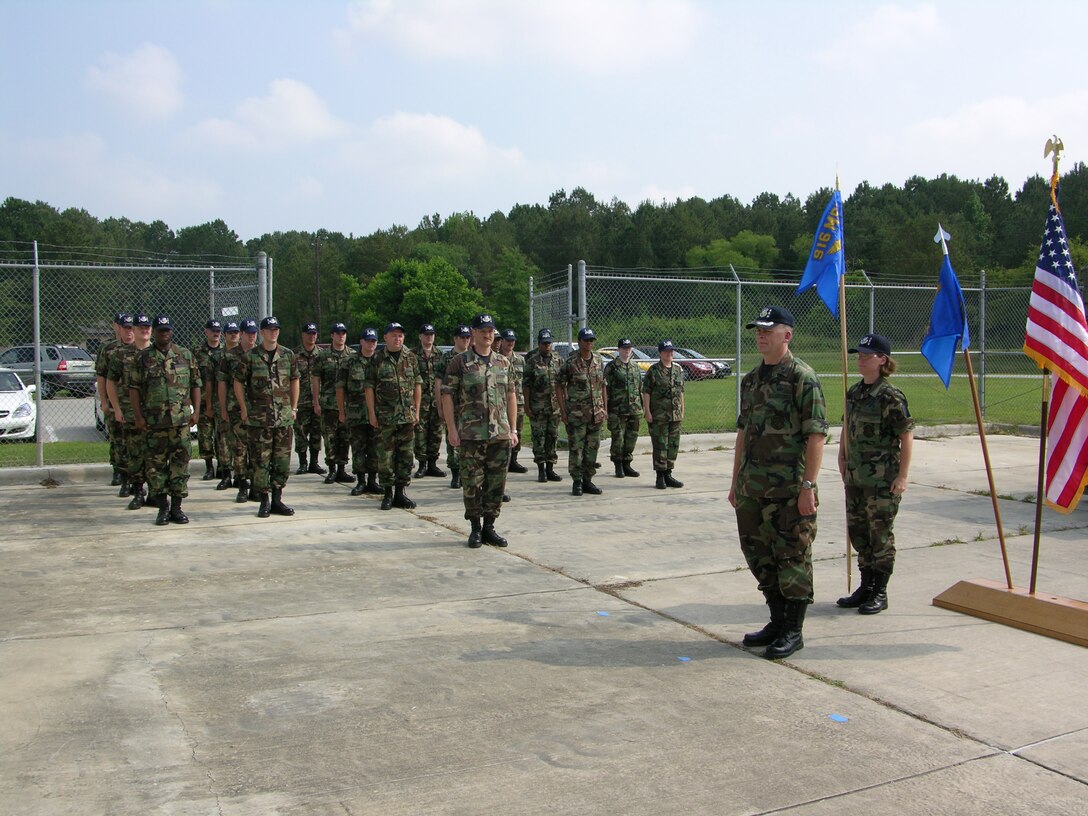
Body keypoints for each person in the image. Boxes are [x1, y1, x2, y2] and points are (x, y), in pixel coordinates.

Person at [728, 306, 827, 660]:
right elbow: (743, 433)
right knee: (757, 554)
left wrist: (808, 486)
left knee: (793, 557)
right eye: (757, 329)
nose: (760, 334)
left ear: (787, 335)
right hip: (752, 488)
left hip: (788, 490)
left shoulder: (803, 377)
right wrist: (735, 480)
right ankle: (776, 619)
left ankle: (793, 630)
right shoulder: (751, 380)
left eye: (768, 330)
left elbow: (817, 436)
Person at [837, 334, 914, 615]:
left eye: (867, 356)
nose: (860, 360)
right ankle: (865, 586)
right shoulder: (854, 392)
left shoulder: (890, 396)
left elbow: (906, 436)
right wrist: (842, 455)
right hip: (856, 478)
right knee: (859, 533)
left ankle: (880, 591)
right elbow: (848, 426)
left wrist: (902, 476)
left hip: (881, 480)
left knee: (879, 535)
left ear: (882, 360)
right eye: (858, 355)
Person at [441, 313, 518, 548]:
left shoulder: (503, 362)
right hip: (471, 434)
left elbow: (511, 395)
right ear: (473, 333)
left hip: (500, 434)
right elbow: (447, 395)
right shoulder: (459, 362)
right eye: (483, 330)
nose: (488, 334)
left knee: (496, 484)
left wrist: (513, 428)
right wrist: (452, 429)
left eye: (491, 330)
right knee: (472, 483)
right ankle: (475, 528)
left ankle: (489, 527)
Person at [128, 315, 201, 526]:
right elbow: (134, 389)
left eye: (167, 330)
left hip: (180, 423)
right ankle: (162, 508)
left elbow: (196, 384)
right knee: (156, 468)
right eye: (160, 330)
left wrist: (196, 411)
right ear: (155, 332)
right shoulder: (143, 358)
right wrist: (139, 417)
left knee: (180, 466)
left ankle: (177, 508)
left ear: (171, 332)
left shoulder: (185, 355)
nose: (164, 333)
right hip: (154, 423)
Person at [234, 317, 299, 518]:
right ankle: (264, 500)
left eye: (276, 329)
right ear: (262, 332)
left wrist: (294, 407)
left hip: (283, 419)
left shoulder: (287, 355)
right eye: (269, 330)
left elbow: (295, 380)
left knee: (281, 461)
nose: (273, 333)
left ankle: (277, 499)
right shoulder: (250, 357)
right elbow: (238, 382)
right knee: (260, 462)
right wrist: (243, 408)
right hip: (259, 419)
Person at [366, 321, 422, 510]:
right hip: (385, 417)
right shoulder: (377, 359)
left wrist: (417, 410)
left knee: (406, 456)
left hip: (407, 416)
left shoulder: (411, 358)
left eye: (400, 335)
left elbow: (417, 385)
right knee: (386, 457)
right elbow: (369, 388)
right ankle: (388, 493)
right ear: (385, 338)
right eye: (393, 335)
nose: (397, 338)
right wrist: (372, 414)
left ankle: (401, 493)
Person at [556, 327, 607, 496]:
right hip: (577, 414)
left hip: (596, 413)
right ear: (579, 342)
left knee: (592, 448)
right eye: (586, 340)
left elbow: (602, 386)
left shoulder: (599, 361)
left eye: (592, 340)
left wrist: (604, 408)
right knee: (576, 449)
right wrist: (563, 411)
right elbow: (559, 385)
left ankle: (588, 480)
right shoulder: (570, 363)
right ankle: (577, 482)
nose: (590, 343)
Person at [106, 314, 148, 506]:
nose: (142, 330)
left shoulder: (160, 353)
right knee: (133, 452)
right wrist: (115, 408)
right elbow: (110, 381)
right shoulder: (121, 354)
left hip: (155, 414)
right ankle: (136, 489)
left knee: (155, 456)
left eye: (147, 327)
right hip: (130, 411)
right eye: (139, 327)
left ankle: (156, 492)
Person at [337, 327, 383, 496]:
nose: (371, 344)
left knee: (374, 448)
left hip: (377, 414)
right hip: (356, 413)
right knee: (358, 448)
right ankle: (361, 481)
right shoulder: (349, 361)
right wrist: (341, 411)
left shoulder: (381, 361)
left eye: (374, 341)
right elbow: (340, 388)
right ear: (361, 342)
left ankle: (373, 480)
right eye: (368, 340)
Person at [313, 322, 357, 484]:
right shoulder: (323, 356)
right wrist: (316, 401)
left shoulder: (352, 355)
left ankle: (342, 469)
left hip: (347, 405)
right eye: (337, 333)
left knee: (345, 438)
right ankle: (331, 469)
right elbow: (316, 379)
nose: (341, 336)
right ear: (332, 335)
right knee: (330, 437)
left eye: (343, 333)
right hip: (328, 404)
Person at [642, 339, 685, 489]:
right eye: (666, 351)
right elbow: (646, 392)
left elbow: (681, 392)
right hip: (659, 415)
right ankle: (660, 476)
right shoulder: (654, 371)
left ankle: (668, 474)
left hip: (675, 414)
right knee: (661, 445)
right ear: (660, 353)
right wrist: (647, 411)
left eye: (671, 351)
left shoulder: (678, 370)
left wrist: (682, 410)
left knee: (673, 445)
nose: (669, 354)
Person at [522, 328, 563, 483]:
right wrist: (527, 405)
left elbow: (561, 384)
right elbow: (526, 385)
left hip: (554, 407)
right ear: (539, 344)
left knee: (552, 437)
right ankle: (541, 470)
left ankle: (550, 469)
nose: (547, 346)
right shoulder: (532, 361)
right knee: (539, 438)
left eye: (549, 343)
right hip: (537, 406)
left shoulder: (558, 360)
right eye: (544, 343)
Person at [96, 312, 130, 486]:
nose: (129, 331)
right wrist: (104, 401)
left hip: (134, 404)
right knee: (117, 438)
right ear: (117, 327)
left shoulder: (144, 349)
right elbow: (102, 377)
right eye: (125, 327)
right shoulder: (109, 349)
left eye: (132, 327)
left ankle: (132, 474)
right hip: (115, 400)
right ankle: (118, 471)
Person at [435, 325, 471, 488]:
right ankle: (455, 474)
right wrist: (440, 406)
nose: (465, 340)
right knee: (453, 440)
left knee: (469, 441)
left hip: (469, 406)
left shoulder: (473, 356)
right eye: (462, 337)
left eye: (467, 337)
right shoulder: (447, 357)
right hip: (452, 405)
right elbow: (438, 382)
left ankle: (467, 473)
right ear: (455, 339)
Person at [604, 337, 644, 478]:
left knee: (631, 438)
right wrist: (606, 409)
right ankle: (618, 465)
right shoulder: (611, 367)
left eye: (629, 348)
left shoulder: (635, 367)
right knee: (618, 438)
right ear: (618, 350)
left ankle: (627, 464)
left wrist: (642, 407)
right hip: (617, 409)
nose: (627, 350)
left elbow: (639, 388)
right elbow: (605, 389)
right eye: (624, 348)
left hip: (634, 409)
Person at [412, 323, 446, 478]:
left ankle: (432, 464)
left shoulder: (441, 355)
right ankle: (422, 464)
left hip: (436, 401)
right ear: (420, 336)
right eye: (426, 334)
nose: (429, 337)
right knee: (420, 434)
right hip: (420, 401)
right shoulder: (412, 355)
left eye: (431, 334)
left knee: (436, 433)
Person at [192, 319, 224, 482]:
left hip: (221, 401)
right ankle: (208, 467)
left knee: (221, 435)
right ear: (206, 332)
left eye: (218, 330)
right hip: (203, 401)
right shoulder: (197, 353)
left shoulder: (225, 352)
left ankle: (222, 466)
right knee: (205, 435)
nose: (215, 333)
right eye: (212, 330)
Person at [293, 322, 326, 476]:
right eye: (309, 333)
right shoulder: (294, 355)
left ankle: (314, 462)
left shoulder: (322, 355)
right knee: (300, 432)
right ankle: (302, 463)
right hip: (300, 401)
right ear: (303, 335)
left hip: (317, 401)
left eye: (314, 333)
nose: (312, 336)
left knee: (316, 432)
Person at [214, 322, 241, 490]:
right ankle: (225, 473)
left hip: (241, 406)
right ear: (225, 335)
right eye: (230, 332)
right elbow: (214, 382)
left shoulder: (245, 354)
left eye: (236, 332)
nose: (233, 335)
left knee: (240, 444)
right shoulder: (219, 356)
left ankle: (240, 475)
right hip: (225, 404)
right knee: (223, 441)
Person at [499, 328, 528, 475]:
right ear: (502, 341)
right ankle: (503, 460)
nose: (511, 343)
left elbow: (526, 382)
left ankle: (514, 460)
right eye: (508, 340)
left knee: (518, 431)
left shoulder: (520, 360)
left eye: (513, 340)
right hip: (500, 402)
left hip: (518, 401)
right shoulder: (496, 359)